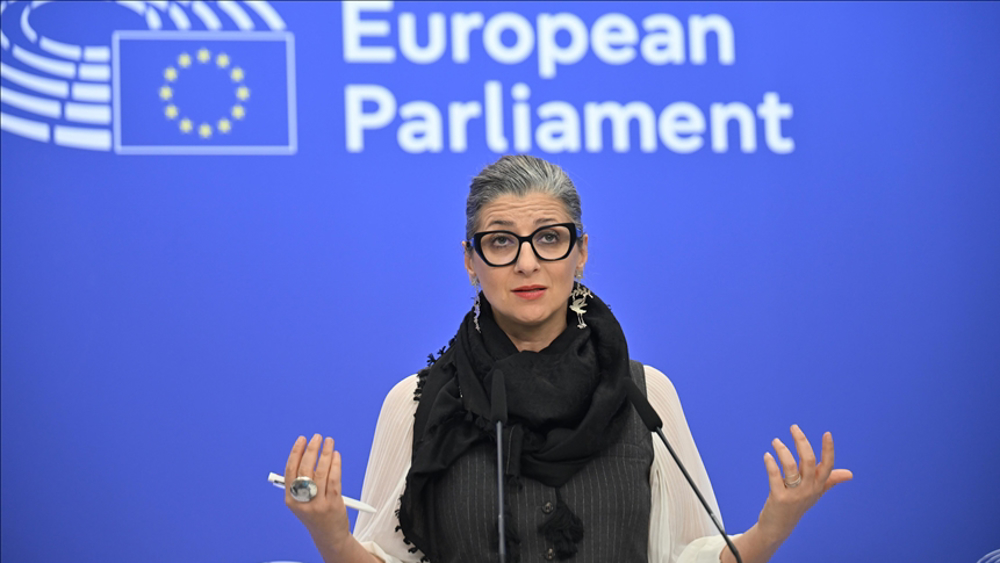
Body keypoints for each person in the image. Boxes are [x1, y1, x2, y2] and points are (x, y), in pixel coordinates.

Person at [281, 155, 853, 563]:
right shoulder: (416, 404)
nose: (527, 263)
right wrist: (332, 537)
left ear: (580, 252)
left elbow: (685, 557)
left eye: (549, 238)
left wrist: (770, 529)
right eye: (500, 241)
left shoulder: (643, 394)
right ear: (470, 261)